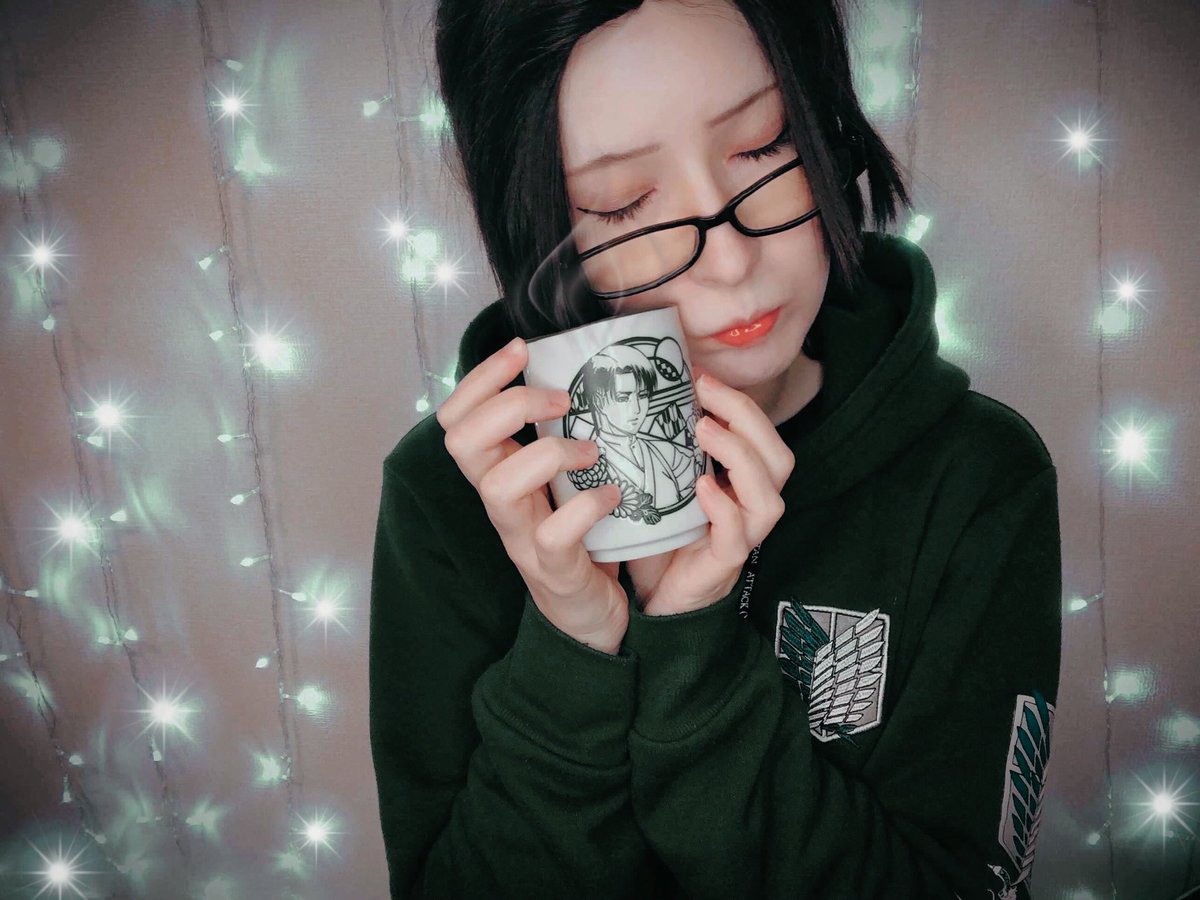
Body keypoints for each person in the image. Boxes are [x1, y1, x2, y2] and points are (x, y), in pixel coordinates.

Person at [369, 1, 1062, 898]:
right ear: (535, 229)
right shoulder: (445, 496)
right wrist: (574, 642)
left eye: (766, 146)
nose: (731, 262)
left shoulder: (977, 477)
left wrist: (692, 651)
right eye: (622, 203)